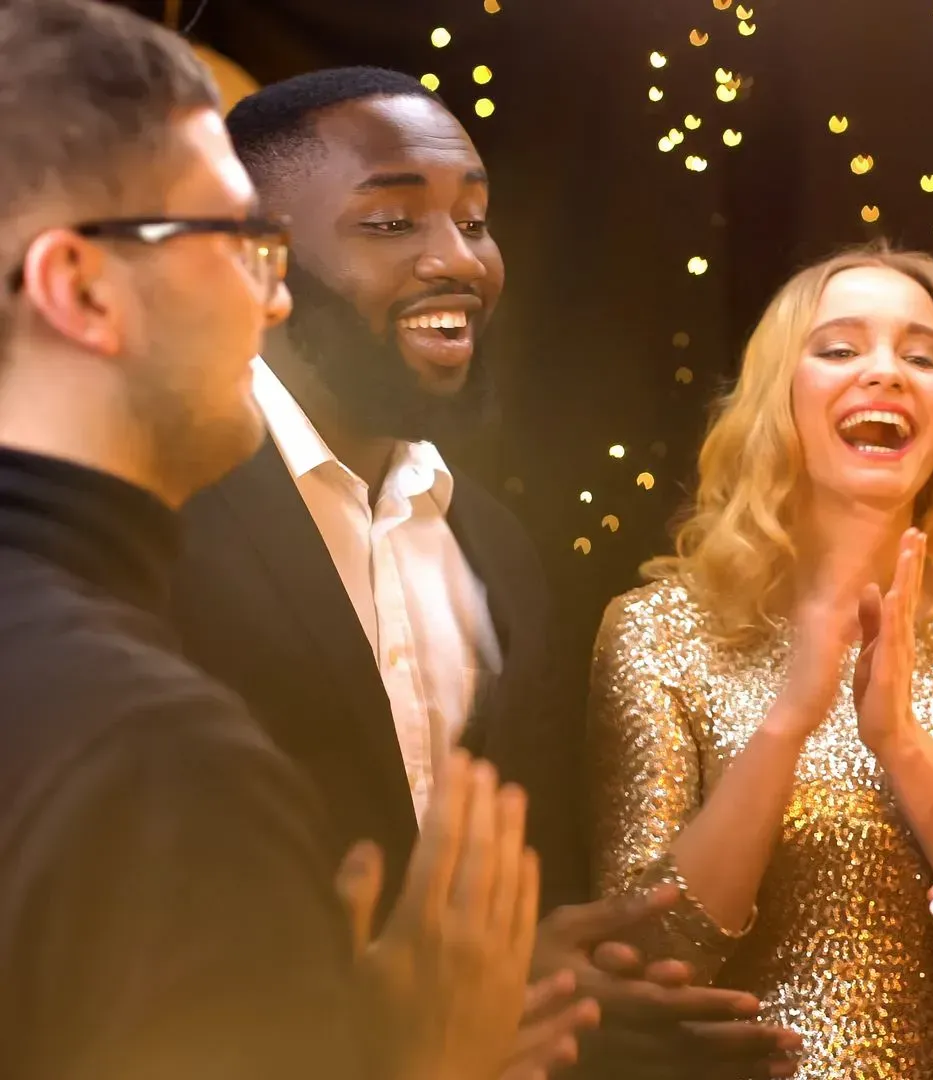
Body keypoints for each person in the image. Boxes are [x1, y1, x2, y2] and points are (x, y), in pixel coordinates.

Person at [180, 67, 791, 1076]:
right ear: (258, 262)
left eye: (474, 220)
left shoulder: (495, 550)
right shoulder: (162, 505)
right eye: (391, 224)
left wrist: (553, 984)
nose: (459, 260)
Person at [0, 3, 544, 1075]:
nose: (275, 294)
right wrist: (414, 1062)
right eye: (236, 239)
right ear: (81, 288)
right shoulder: (155, 754)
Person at [589, 245, 933, 1078]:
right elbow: (647, 961)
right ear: (778, 397)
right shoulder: (657, 632)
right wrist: (789, 721)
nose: (885, 372)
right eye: (841, 348)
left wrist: (900, 741)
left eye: (922, 357)